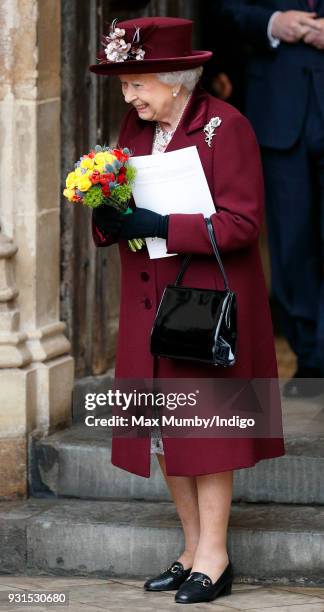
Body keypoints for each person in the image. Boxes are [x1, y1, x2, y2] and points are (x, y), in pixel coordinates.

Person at [89, 16, 285, 605]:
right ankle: (191, 549)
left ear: (174, 79)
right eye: (125, 85)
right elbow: (122, 204)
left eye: (137, 84)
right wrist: (109, 217)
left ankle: (215, 556)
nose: (129, 97)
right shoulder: (134, 126)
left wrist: (163, 225)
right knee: (167, 431)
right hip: (151, 296)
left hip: (205, 300)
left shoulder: (228, 127)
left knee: (207, 431)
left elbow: (244, 223)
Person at [223, 1, 324, 398]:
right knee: (292, 242)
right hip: (278, 108)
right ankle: (312, 359)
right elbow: (221, 7)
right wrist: (271, 22)